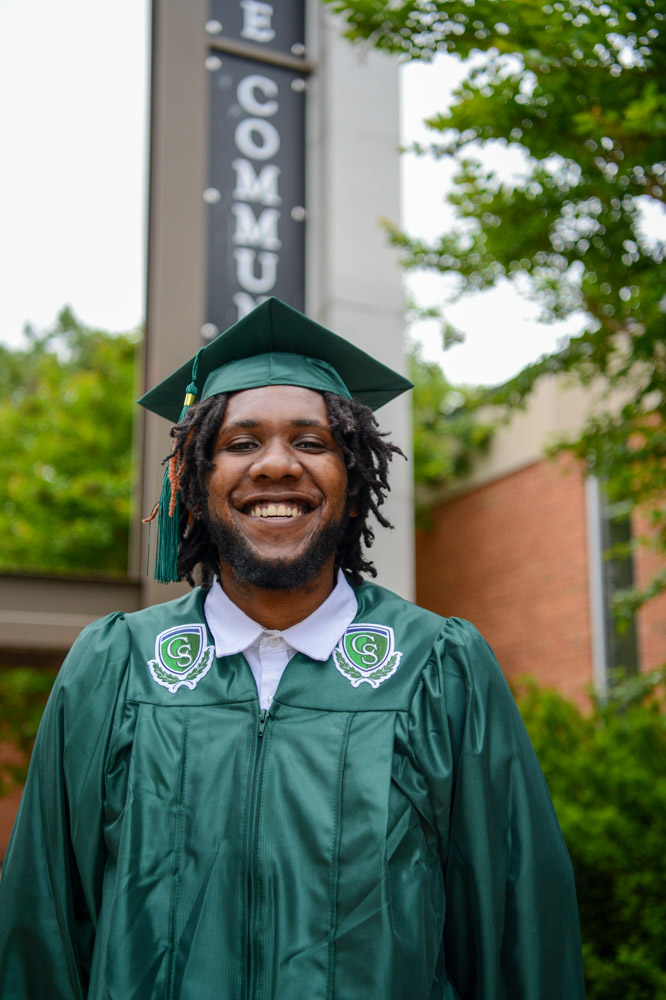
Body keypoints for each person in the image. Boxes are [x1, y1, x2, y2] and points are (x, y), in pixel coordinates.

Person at [0, 298, 585, 999]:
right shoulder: (117, 668)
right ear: (194, 478)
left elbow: (515, 933)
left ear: (354, 477)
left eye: (311, 442)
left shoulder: (437, 667)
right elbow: (43, 930)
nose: (277, 465)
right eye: (242, 443)